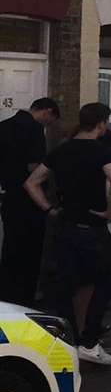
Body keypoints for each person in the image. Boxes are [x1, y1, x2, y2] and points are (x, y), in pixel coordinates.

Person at [23, 102, 111, 365]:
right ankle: (89, 342)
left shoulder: (60, 151)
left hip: (65, 226)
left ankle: (70, 342)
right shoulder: (104, 153)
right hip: (93, 227)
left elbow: (31, 182)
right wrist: (110, 213)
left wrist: (48, 209)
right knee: (106, 280)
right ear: (101, 124)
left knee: (67, 285)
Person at [0, 97, 61, 305]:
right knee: (30, 252)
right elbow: (33, 167)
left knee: (10, 248)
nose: (47, 125)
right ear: (47, 112)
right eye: (50, 121)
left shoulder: (4, 126)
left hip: (9, 196)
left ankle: (6, 295)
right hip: (29, 200)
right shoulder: (34, 129)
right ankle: (24, 298)